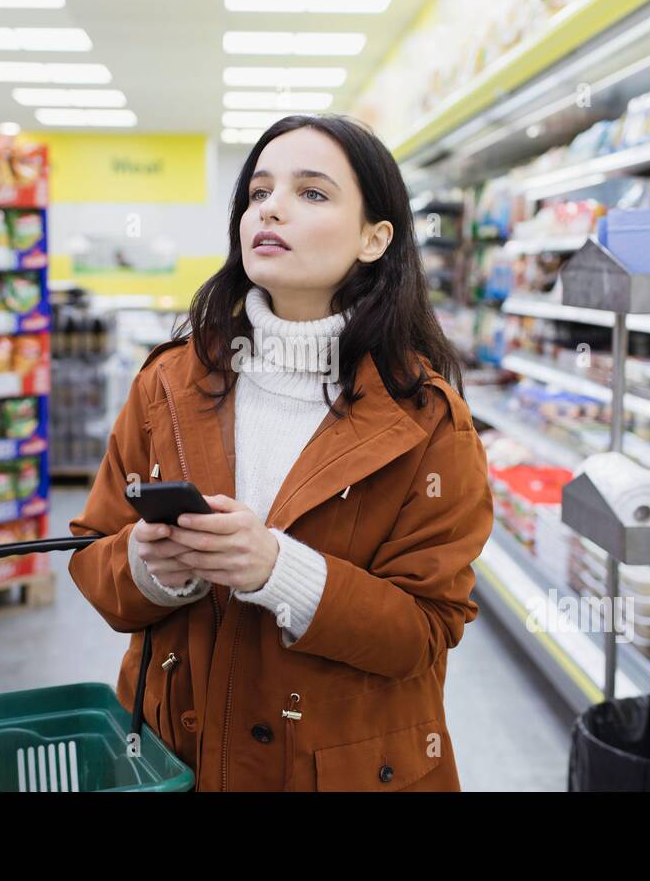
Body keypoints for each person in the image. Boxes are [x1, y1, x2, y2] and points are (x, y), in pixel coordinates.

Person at [68, 113, 494, 791]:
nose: (272, 208)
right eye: (258, 192)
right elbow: (93, 556)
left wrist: (277, 570)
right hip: (176, 756)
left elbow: (424, 631)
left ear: (374, 238)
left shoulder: (427, 420)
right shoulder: (168, 383)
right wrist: (152, 568)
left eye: (312, 193)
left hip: (341, 770)